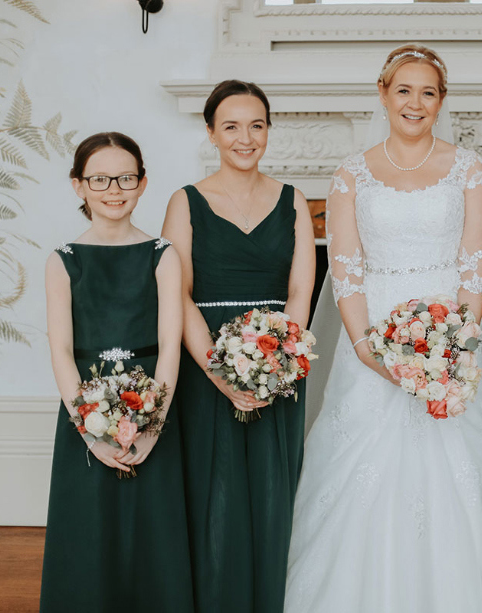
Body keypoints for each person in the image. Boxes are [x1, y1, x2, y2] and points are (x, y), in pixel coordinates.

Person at [284, 44, 482, 612]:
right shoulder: (351, 173)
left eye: (428, 92)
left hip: (453, 336)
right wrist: (366, 348)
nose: (415, 102)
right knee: (362, 470)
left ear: (441, 100)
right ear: (383, 94)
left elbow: (477, 262)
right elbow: (346, 268)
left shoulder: (469, 168)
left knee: (460, 467)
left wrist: (453, 345)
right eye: (404, 90)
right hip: (369, 334)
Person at [161, 80, 316, 613]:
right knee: (215, 493)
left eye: (256, 125)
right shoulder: (184, 202)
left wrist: (277, 362)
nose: (245, 138)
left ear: (269, 131)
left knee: (276, 491)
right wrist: (218, 371)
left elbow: (301, 290)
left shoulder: (293, 199)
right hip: (208, 362)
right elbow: (177, 295)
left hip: (280, 365)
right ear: (210, 132)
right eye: (231, 126)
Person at [41, 132, 192, 612]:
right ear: (78, 186)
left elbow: (171, 346)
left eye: (126, 177)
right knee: (90, 530)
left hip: (153, 405)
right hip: (85, 409)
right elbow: (62, 351)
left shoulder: (162, 254)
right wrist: (88, 428)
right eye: (100, 178)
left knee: (153, 530)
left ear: (143, 183)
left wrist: (153, 425)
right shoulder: (64, 260)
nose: (114, 188)